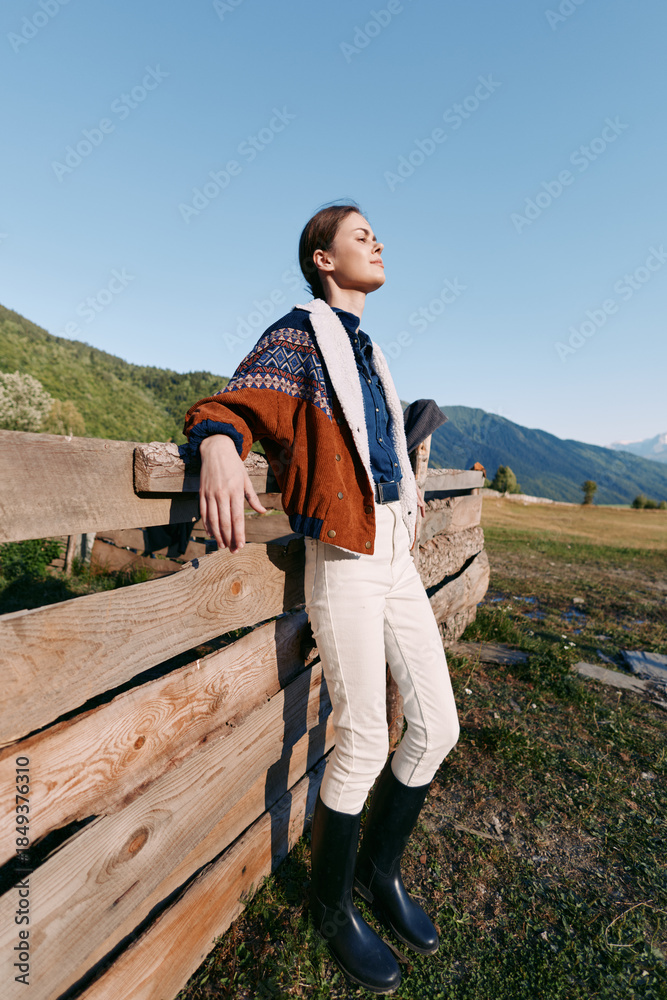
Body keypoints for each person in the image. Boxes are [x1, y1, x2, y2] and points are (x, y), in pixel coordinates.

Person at [183, 202, 460, 994]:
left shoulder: (370, 350)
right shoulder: (298, 335)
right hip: (341, 554)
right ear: (323, 259)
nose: (376, 239)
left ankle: (381, 874)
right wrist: (217, 446)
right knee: (366, 737)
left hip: (395, 551)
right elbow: (231, 404)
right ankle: (332, 910)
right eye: (358, 233)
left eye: (377, 231)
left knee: (437, 723)